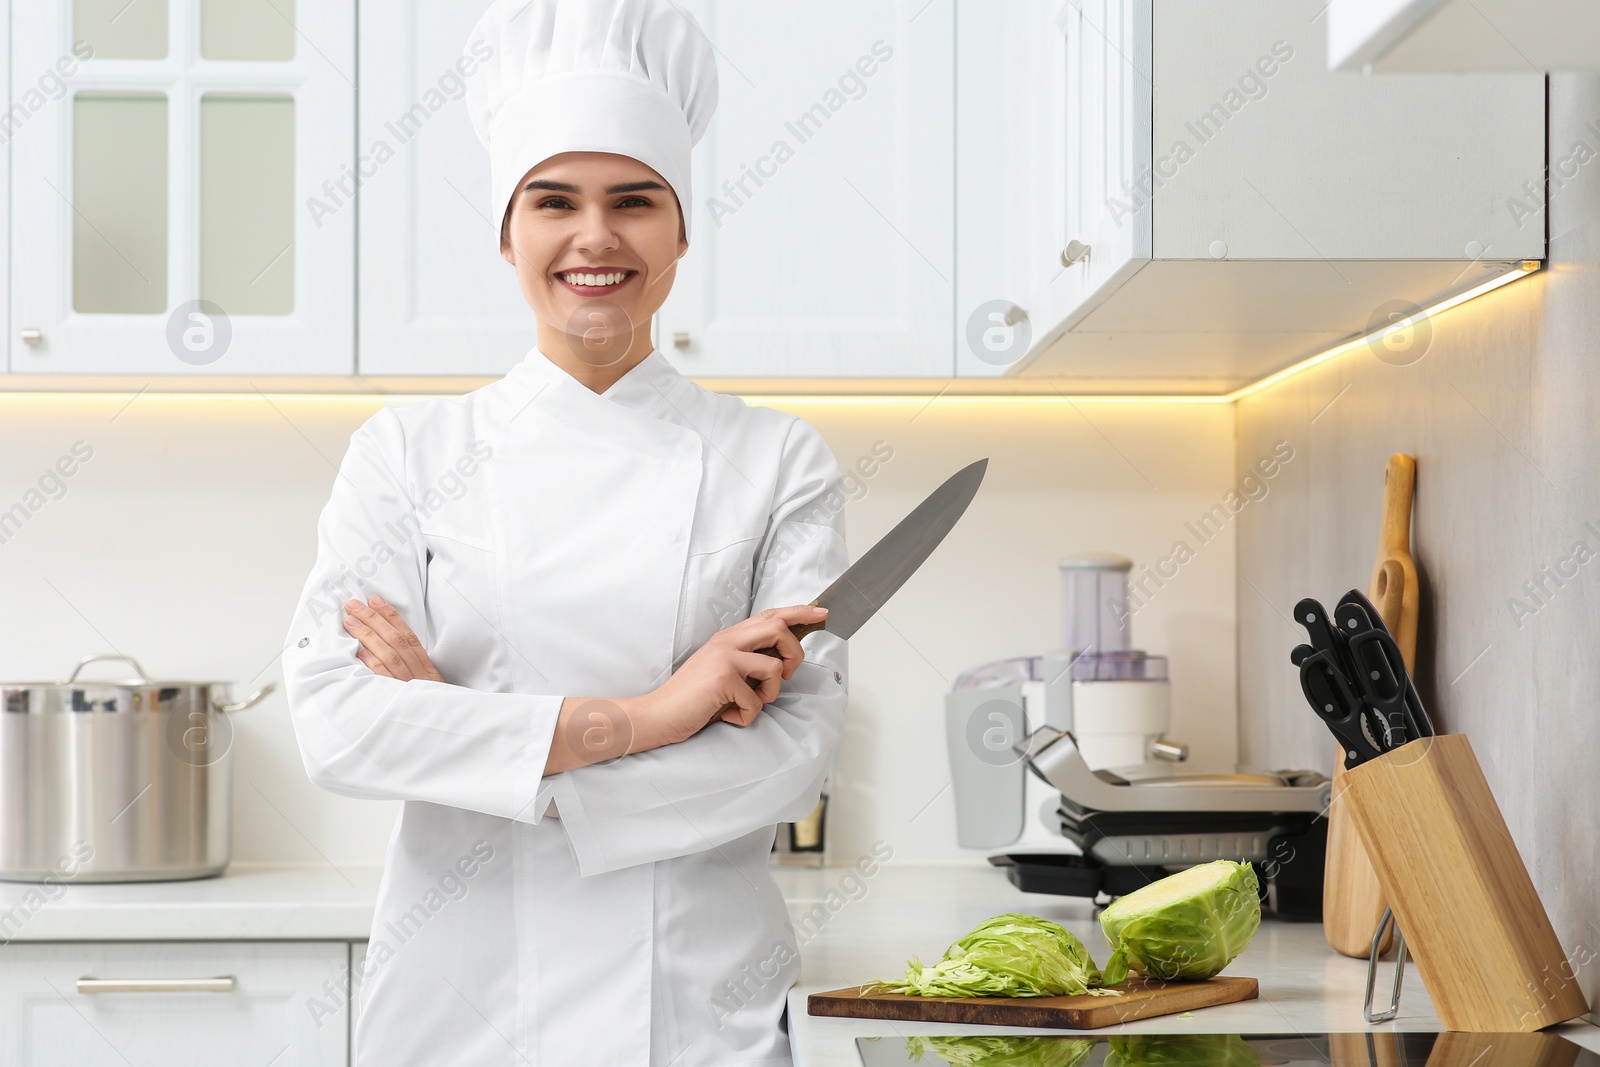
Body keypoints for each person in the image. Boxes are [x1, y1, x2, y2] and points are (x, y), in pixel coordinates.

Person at [280, 1, 849, 1063]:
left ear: (680, 231)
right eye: (555, 201)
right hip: (462, 998)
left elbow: (791, 753)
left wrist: (459, 725)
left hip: (693, 1003)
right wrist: (648, 715)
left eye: (635, 201)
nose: (596, 237)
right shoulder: (408, 449)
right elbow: (337, 721)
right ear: (507, 232)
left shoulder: (777, 460)